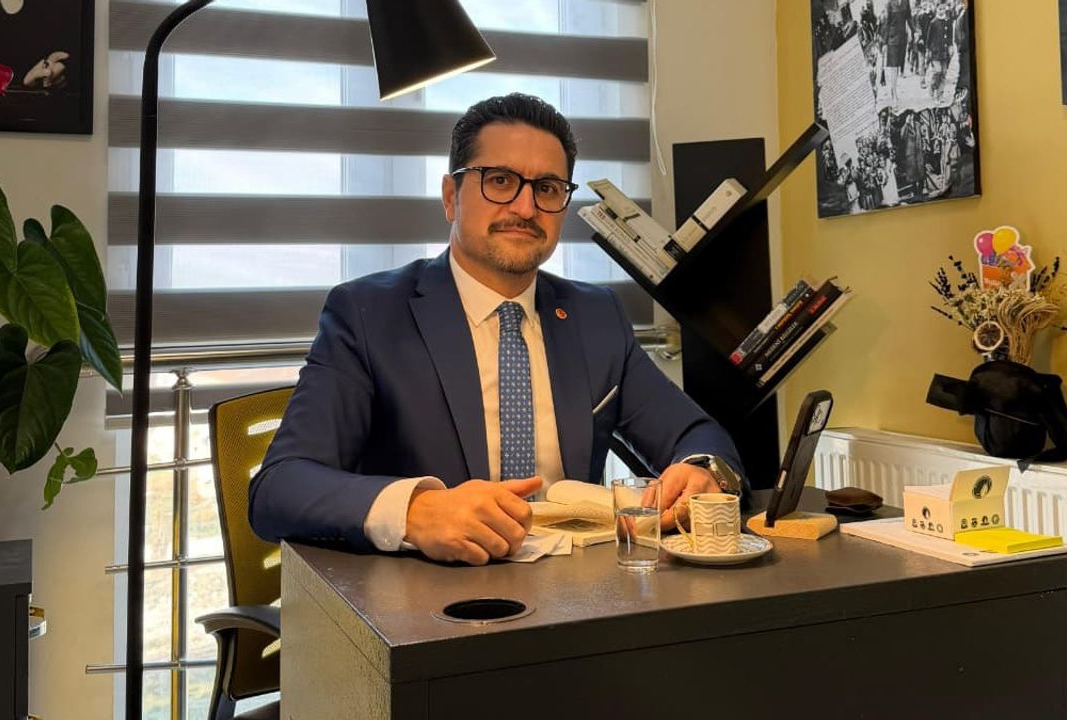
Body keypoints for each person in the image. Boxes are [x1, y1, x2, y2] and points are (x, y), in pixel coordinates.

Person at [249, 94, 746, 566]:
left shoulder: (596, 315)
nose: (526, 209)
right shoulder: (369, 314)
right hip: (426, 603)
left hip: (579, 599)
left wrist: (699, 474)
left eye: (547, 188)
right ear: (451, 197)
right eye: (501, 181)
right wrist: (416, 511)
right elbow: (279, 487)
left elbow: (697, 435)